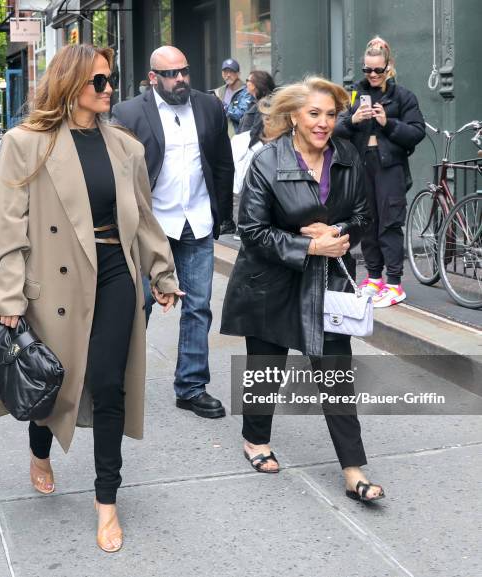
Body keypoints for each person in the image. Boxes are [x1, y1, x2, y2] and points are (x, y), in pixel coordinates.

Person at [0, 44, 181, 553]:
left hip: (113, 275)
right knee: (50, 382)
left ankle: (107, 500)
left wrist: (162, 273)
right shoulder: (26, 143)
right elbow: (9, 228)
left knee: (109, 386)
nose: (109, 90)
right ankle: (40, 449)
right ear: (70, 85)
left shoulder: (126, 148)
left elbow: (145, 219)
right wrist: (8, 297)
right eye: (99, 82)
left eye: (111, 81)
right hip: (54, 280)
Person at [221, 77, 385, 502]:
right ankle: (255, 440)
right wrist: (309, 244)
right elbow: (251, 230)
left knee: (335, 375)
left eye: (331, 114)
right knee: (267, 368)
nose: (323, 123)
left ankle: (353, 469)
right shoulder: (268, 161)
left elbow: (365, 214)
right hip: (269, 282)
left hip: (326, 282)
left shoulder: (347, 156)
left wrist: (339, 231)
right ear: (293, 115)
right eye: (314, 113)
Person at [112, 46, 234, 419]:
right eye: (170, 74)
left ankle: (192, 387)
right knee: (140, 305)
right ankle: (119, 384)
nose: (180, 79)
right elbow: (118, 176)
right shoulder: (128, 113)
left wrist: (222, 216)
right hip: (151, 228)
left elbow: (222, 162)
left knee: (198, 307)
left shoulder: (209, 106)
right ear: (153, 78)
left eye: (184, 71)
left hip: (196, 222)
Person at [334, 36, 425, 308]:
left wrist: (388, 123)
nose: (372, 75)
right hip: (363, 167)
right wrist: (353, 120)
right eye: (368, 69)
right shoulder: (354, 93)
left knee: (390, 223)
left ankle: (395, 283)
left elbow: (416, 132)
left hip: (390, 168)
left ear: (389, 67)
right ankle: (375, 278)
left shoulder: (402, 96)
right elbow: (336, 129)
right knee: (367, 223)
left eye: (378, 70)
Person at [212, 57, 253, 138]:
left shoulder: (247, 91)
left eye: (231, 72)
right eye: (225, 72)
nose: (228, 75)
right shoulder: (218, 91)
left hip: (238, 138)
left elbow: (241, 115)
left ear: (238, 74)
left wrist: (221, 104)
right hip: (220, 137)